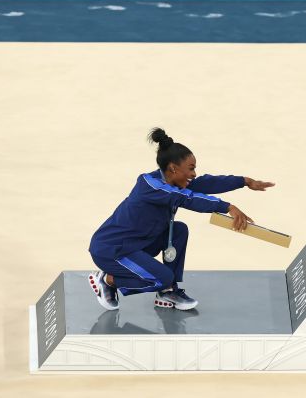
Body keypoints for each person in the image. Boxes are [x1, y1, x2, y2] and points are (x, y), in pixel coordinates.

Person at [87, 128, 274, 311]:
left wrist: (245, 181)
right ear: (173, 168)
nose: (194, 174)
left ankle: (168, 292)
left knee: (179, 230)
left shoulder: (175, 181)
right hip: (112, 249)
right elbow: (187, 198)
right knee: (162, 278)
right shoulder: (149, 184)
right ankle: (108, 280)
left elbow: (207, 183)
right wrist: (228, 207)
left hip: (137, 244)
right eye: (191, 168)